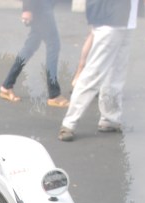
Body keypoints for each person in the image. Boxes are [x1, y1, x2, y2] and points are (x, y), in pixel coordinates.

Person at [59, 0, 139, 142]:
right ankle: (69, 122)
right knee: (94, 72)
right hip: (110, 16)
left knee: (116, 73)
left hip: (125, 18)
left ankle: (109, 119)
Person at [0, 0, 69, 107]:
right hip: (42, 6)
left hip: (43, 6)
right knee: (53, 46)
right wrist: (27, 8)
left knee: (31, 46)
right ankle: (54, 94)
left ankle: (7, 85)